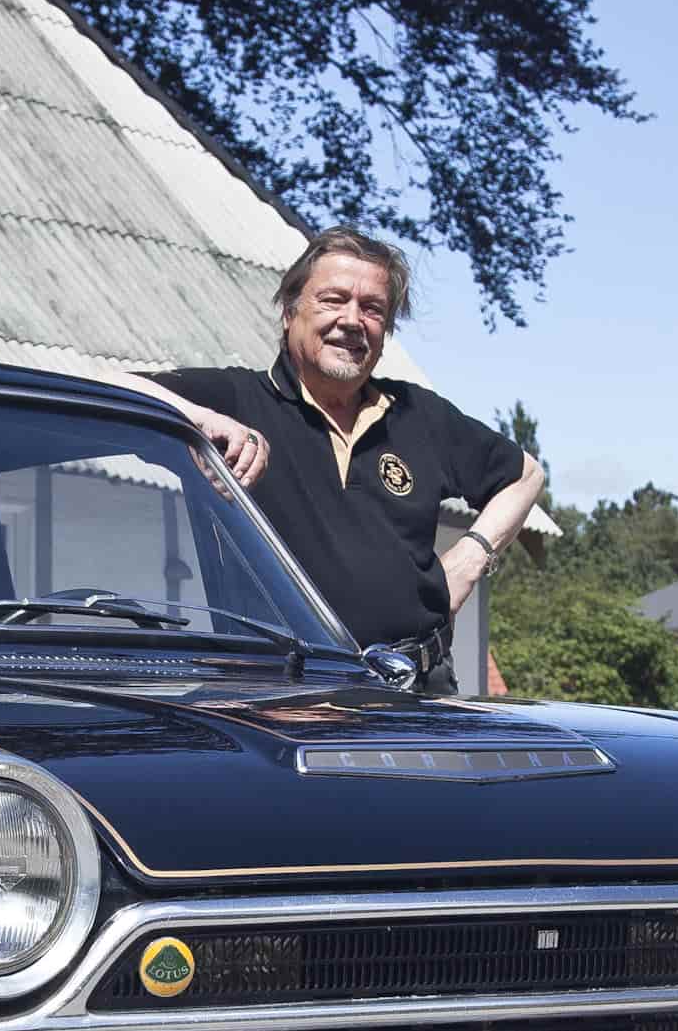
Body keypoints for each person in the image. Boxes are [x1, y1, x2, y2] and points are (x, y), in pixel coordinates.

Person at [114, 229, 545, 695]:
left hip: (415, 692)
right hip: (275, 698)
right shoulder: (238, 399)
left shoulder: (419, 415)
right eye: (333, 300)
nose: (353, 320)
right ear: (289, 313)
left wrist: (468, 560)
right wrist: (204, 422)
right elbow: (106, 384)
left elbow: (525, 475)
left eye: (373, 308)